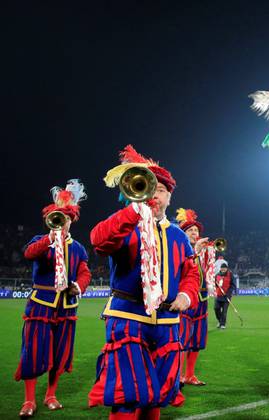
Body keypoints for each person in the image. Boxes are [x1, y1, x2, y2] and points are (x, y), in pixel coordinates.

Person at [87, 145, 200, 420]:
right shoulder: (125, 223)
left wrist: (186, 296)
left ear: (169, 197)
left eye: (161, 189)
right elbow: (99, 241)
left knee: (157, 396)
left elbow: (190, 274)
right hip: (127, 317)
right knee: (126, 394)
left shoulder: (179, 236)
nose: (155, 194)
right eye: (151, 187)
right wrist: (134, 211)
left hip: (167, 323)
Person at [15, 179, 91, 417]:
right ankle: (29, 400)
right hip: (41, 305)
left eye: (65, 219)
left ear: (71, 220)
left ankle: (51, 394)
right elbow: (28, 254)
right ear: (51, 218)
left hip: (67, 307)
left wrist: (79, 285)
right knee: (34, 351)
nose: (62, 222)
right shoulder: (41, 240)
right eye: (58, 217)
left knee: (60, 353)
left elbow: (84, 271)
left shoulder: (78, 247)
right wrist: (49, 238)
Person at [176, 208, 215, 386]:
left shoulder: (203, 251)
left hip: (202, 300)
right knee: (182, 338)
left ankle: (190, 375)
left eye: (196, 231)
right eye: (191, 230)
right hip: (186, 299)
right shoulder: (179, 249)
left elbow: (207, 273)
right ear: (183, 233)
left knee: (197, 339)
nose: (195, 233)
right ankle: (178, 376)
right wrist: (196, 251)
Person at [214, 259, 233, 329]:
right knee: (216, 309)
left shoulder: (230, 274)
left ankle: (223, 324)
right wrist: (216, 290)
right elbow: (215, 285)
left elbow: (232, 285)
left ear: (227, 268)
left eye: (224, 268)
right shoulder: (217, 275)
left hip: (226, 297)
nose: (223, 269)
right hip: (218, 296)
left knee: (224, 312)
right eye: (222, 268)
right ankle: (219, 321)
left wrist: (228, 293)